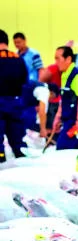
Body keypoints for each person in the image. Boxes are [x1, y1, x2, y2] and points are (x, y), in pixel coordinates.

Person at [51, 46, 78, 150]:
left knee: (63, 148)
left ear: (68, 59)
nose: (56, 62)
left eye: (58, 58)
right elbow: (64, 97)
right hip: (67, 120)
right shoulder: (64, 75)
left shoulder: (77, 76)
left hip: (75, 123)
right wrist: (58, 116)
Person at [0, 29, 28, 162]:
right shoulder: (18, 59)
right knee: (17, 137)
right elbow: (24, 80)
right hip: (16, 102)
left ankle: (1, 157)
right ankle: (20, 157)